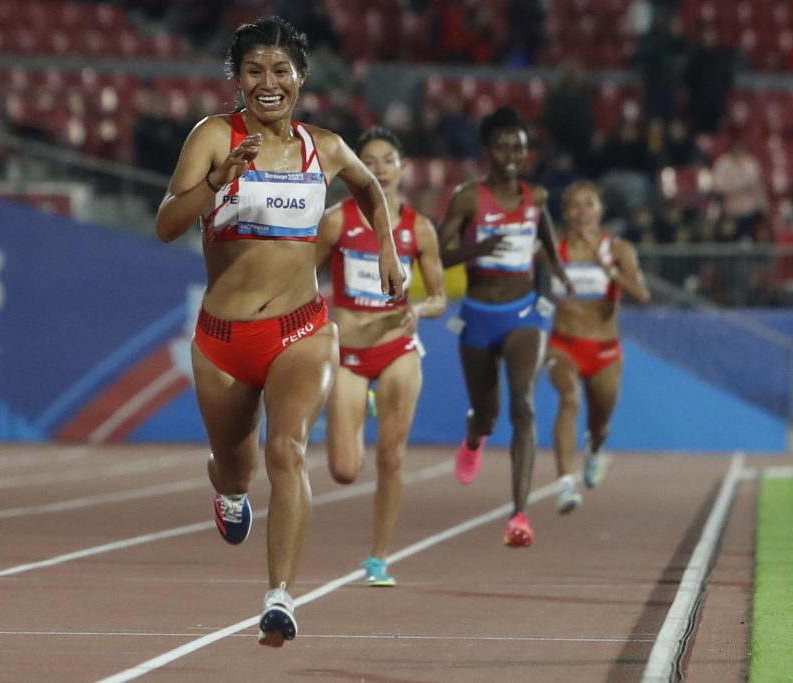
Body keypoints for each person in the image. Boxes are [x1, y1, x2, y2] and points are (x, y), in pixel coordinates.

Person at [153, 16, 405, 647]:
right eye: (254, 71)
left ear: (301, 78)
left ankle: (280, 597)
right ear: (237, 81)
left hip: (302, 331)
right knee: (236, 470)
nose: (269, 83)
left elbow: (371, 190)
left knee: (286, 449)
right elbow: (165, 224)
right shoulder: (214, 136)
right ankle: (228, 491)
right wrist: (217, 181)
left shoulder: (324, 145)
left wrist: (388, 251)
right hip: (221, 341)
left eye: (281, 71)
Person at [315, 127, 447, 587]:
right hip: (349, 352)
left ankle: (378, 556)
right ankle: (361, 402)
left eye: (388, 159)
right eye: (368, 160)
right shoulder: (336, 221)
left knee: (391, 457)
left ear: (403, 168)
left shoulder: (419, 229)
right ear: (356, 169)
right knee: (345, 471)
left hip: (397, 349)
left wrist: (420, 308)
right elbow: (298, 275)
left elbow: (439, 298)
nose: (379, 168)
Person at [437, 105, 573, 549]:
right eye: (502, 146)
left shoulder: (537, 198)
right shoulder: (469, 197)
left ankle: (519, 515)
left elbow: (546, 235)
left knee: (525, 405)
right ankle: (474, 437)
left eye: (518, 146)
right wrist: (478, 250)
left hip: (524, 315)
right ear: (487, 151)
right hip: (478, 314)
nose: (512, 153)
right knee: (488, 413)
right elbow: (439, 254)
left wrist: (556, 275)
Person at [545, 181, 650, 512]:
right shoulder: (553, 250)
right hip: (563, 344)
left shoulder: (618, 249)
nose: (582, 212)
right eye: (575, 206)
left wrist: (607, 269)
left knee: (599, 423)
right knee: (569, 398)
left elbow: (642, 294)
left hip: (605, 351)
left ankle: (594, 450)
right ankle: (565, 484)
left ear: (600, 211)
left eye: (589, 204)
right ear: (566, 213)